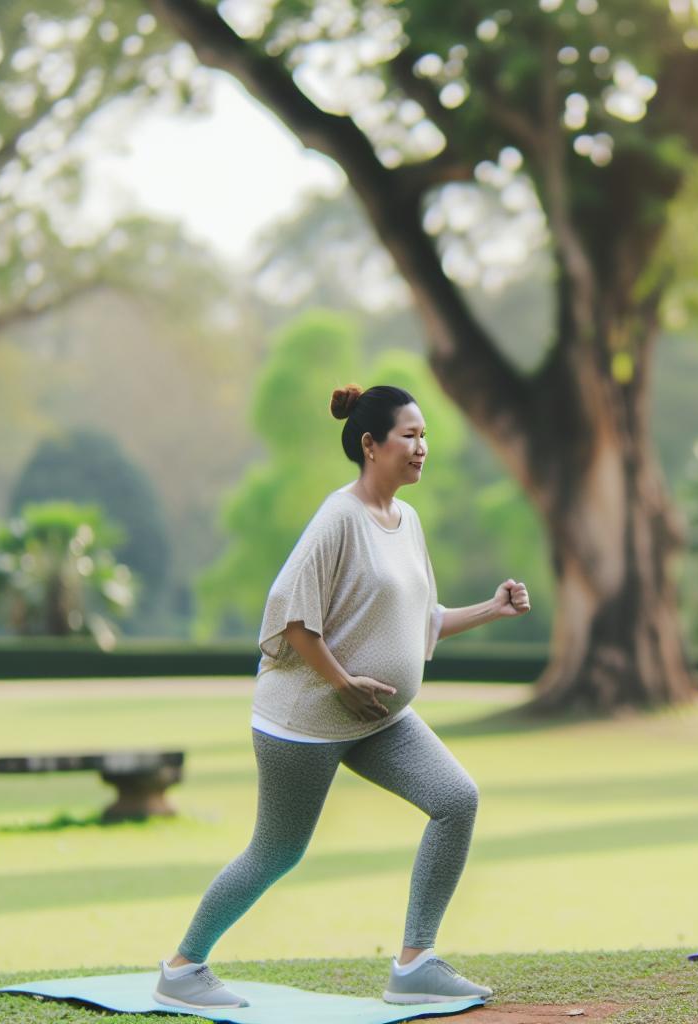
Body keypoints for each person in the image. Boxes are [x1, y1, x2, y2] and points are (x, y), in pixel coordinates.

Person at [153, 383, 531, 1009]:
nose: (421, 447)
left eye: (424, 435)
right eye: (409, 436)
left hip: (379, 718)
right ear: (370, 444)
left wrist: (491, 609)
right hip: (302, 720)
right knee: (277, 852)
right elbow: (293, 618)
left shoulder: (405, 521)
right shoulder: (338, 518)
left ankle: (414, 964)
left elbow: (422, 619)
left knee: (455, 799)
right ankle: (183, 967)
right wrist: (341, 682)